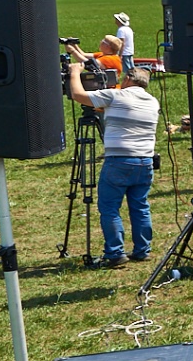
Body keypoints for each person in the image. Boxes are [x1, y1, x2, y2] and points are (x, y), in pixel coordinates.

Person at [66, 49, 160, 267]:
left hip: (119, 161)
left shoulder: (116, 96)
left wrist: (74, 72)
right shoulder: (152, 102)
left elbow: (78, 95)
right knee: (140, 206)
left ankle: (115, 253)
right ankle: (142, 249)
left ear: (127, 79)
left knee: (109, 208)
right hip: (145, 161)